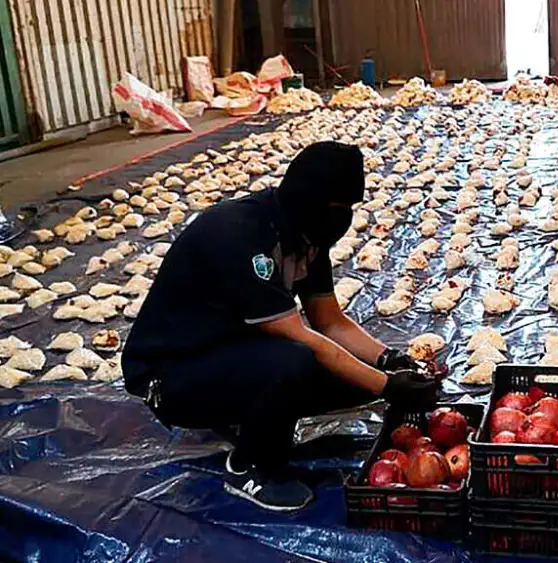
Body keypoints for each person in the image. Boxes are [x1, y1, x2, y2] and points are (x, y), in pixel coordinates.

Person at [122, 141, 439, 512]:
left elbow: (330, 321)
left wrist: (390, 362)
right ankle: (250, 465)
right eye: (340, 208)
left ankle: (249, 412)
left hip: (231, 350)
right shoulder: (240, 235)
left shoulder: (307, 236)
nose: (345, 218)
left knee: (352, 378)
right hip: (173, 374)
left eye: (351, 208)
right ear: (311, 200)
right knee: (296, 362)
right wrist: (389, 387)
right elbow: (301, 336)